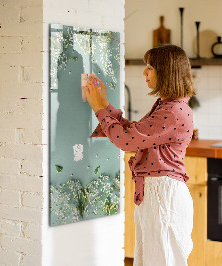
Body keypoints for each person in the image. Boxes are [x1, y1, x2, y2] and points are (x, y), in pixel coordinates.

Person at [82, 44, 195, 266]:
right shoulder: (168, 106)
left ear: (166, 71)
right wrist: (104, 104)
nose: (144, 72)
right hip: (157, 194)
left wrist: (98, 108)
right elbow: (134, 133)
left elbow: (126, 141)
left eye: (150, 67)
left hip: (163, 196)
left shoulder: (172, 111)